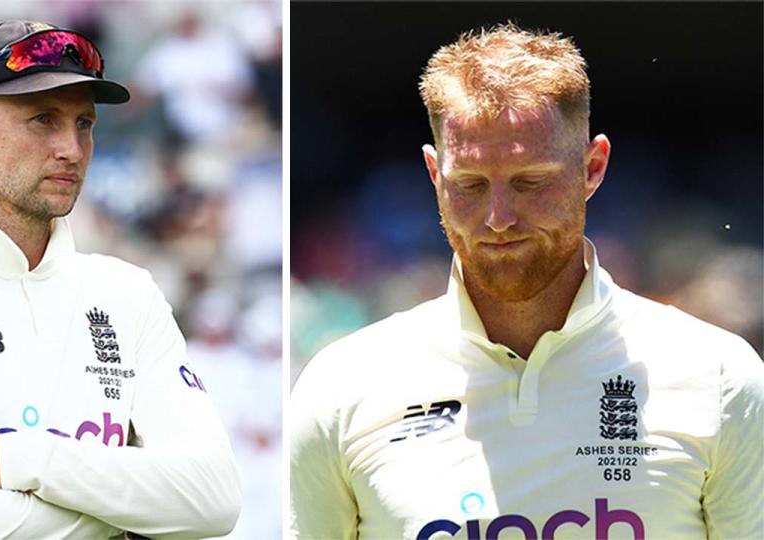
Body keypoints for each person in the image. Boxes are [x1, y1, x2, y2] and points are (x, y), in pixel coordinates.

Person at [290, 24, 763, 539]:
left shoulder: (720, 377)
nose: (498, 217)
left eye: (529, 181)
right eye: (468, 184)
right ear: (434, 174)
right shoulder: (341, 387)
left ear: (593, 167)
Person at [0, 20, 241, 539]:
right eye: (42, 119)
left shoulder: (129, 293)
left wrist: (14, 458)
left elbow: (214, 501)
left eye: (83, 123)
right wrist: (124, 519)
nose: (71, 150)